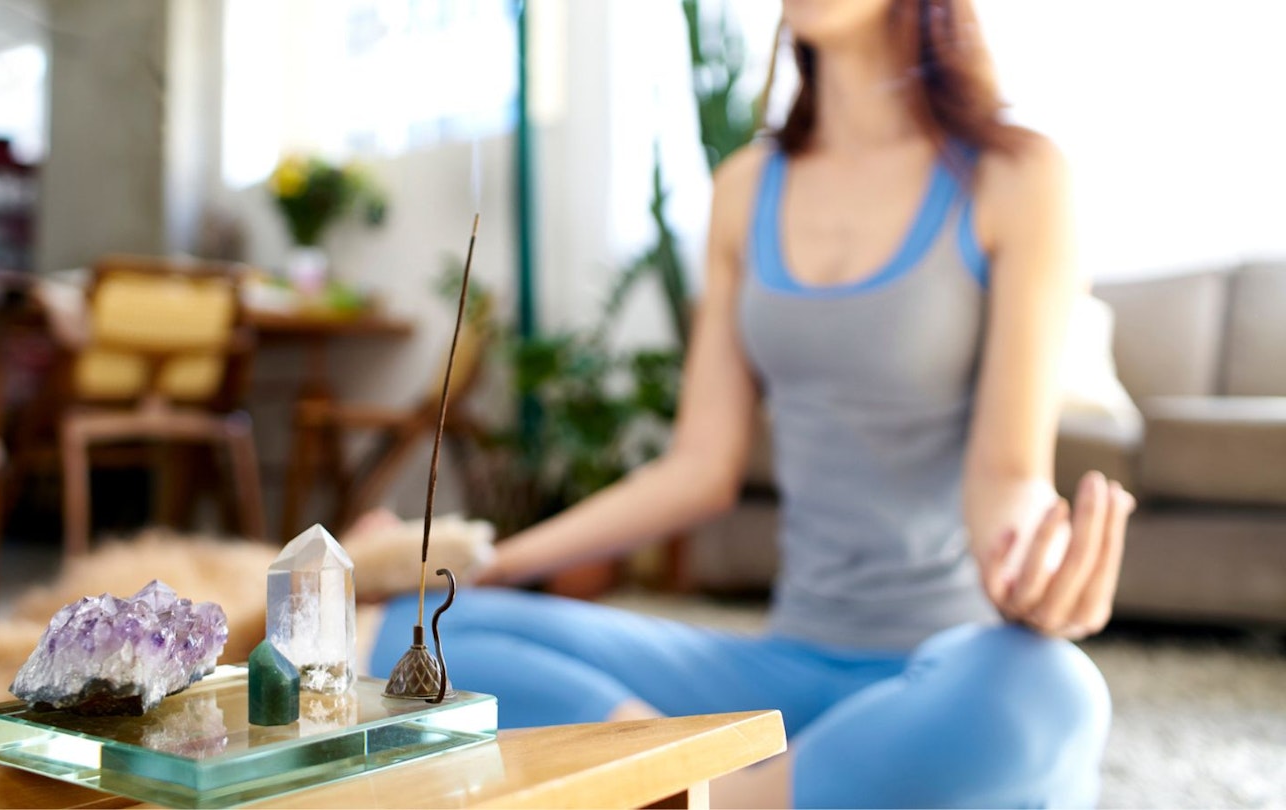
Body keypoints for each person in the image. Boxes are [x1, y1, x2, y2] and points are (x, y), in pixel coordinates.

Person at [353, 0, 1136, 806]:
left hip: (951, 671)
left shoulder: (1015, 176)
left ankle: (711, 794)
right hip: (782, 670)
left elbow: (1008, 471)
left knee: (1053, 689)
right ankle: (744, 786)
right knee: (409, 638)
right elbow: (699, 467)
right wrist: (485, 565)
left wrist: (1033, 570)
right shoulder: (744, 190)